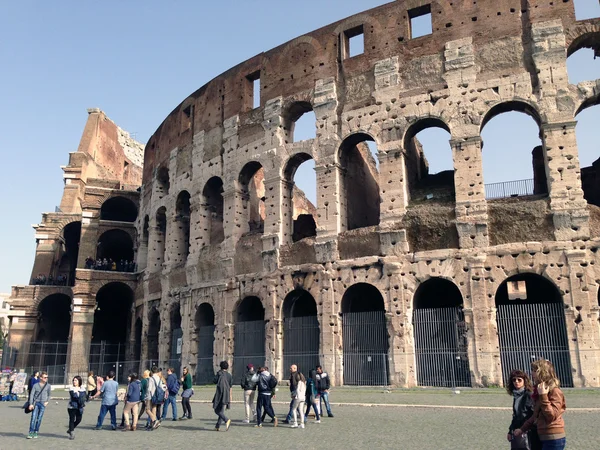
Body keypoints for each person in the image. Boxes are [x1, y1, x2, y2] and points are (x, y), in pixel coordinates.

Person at [514, 359, 567, 450]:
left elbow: (551, 416)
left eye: (534, 371)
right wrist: (522, 429)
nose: (532, 373)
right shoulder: (539, 390)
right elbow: (535, 416)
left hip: (554, 438)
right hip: (543, 437)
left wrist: (543, 396)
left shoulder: (555, 391)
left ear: (542, 373)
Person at [506, 370, 538, 450]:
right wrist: (510, 431)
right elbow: (515, 416)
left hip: (528, 431)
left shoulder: (529, 395)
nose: (516, 382)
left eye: (519, 380)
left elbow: (531, 414)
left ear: (524, 381)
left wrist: (522, 429)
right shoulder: (516, 395)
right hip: (517, 431)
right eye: (514, 380)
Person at [26, 371, 51, 439]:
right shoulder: (35, 385)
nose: (46, 378)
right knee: (33, 418)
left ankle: (36, 431)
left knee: (39, 418)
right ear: (41, 377)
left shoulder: (48, 386)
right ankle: (31, 432)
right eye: (45, 377)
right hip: (36, 403)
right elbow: (32, 395)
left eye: (47, 377)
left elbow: (49, 395)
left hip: (43, 404)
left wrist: (47, 401)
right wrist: (31, 404)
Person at [213, 361, 233, 431]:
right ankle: (217, 426)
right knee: (221, 411)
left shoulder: (219, 374)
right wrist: (230, 396)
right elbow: (230, 386)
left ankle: (226, 420)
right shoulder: (229, 375)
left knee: (216, 410)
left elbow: (214, 381)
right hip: (227, 394)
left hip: (220, 394)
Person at [145, 366, 165, 430]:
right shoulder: (159, 378)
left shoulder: (151, 378)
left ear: (151, 371)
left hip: (151, 396)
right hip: (157, 396)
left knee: (147, 410)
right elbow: (162, 387)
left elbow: (149, 389)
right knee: (154, 409)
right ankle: (152, 425)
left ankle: (155, 420)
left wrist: (146, 396)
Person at [67, 375, 86, 440]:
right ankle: (72, 433)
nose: (74, 381)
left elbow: (84, 397)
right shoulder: (71, 388)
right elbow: (74, 396)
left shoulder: (82, 388)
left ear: (79, 381)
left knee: (79, 419)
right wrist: (79, 395)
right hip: (72, 407)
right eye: (73, 380)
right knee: (71, 420)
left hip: (80, 407)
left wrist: (79, 395)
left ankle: (70, 429)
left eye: (76, 380)